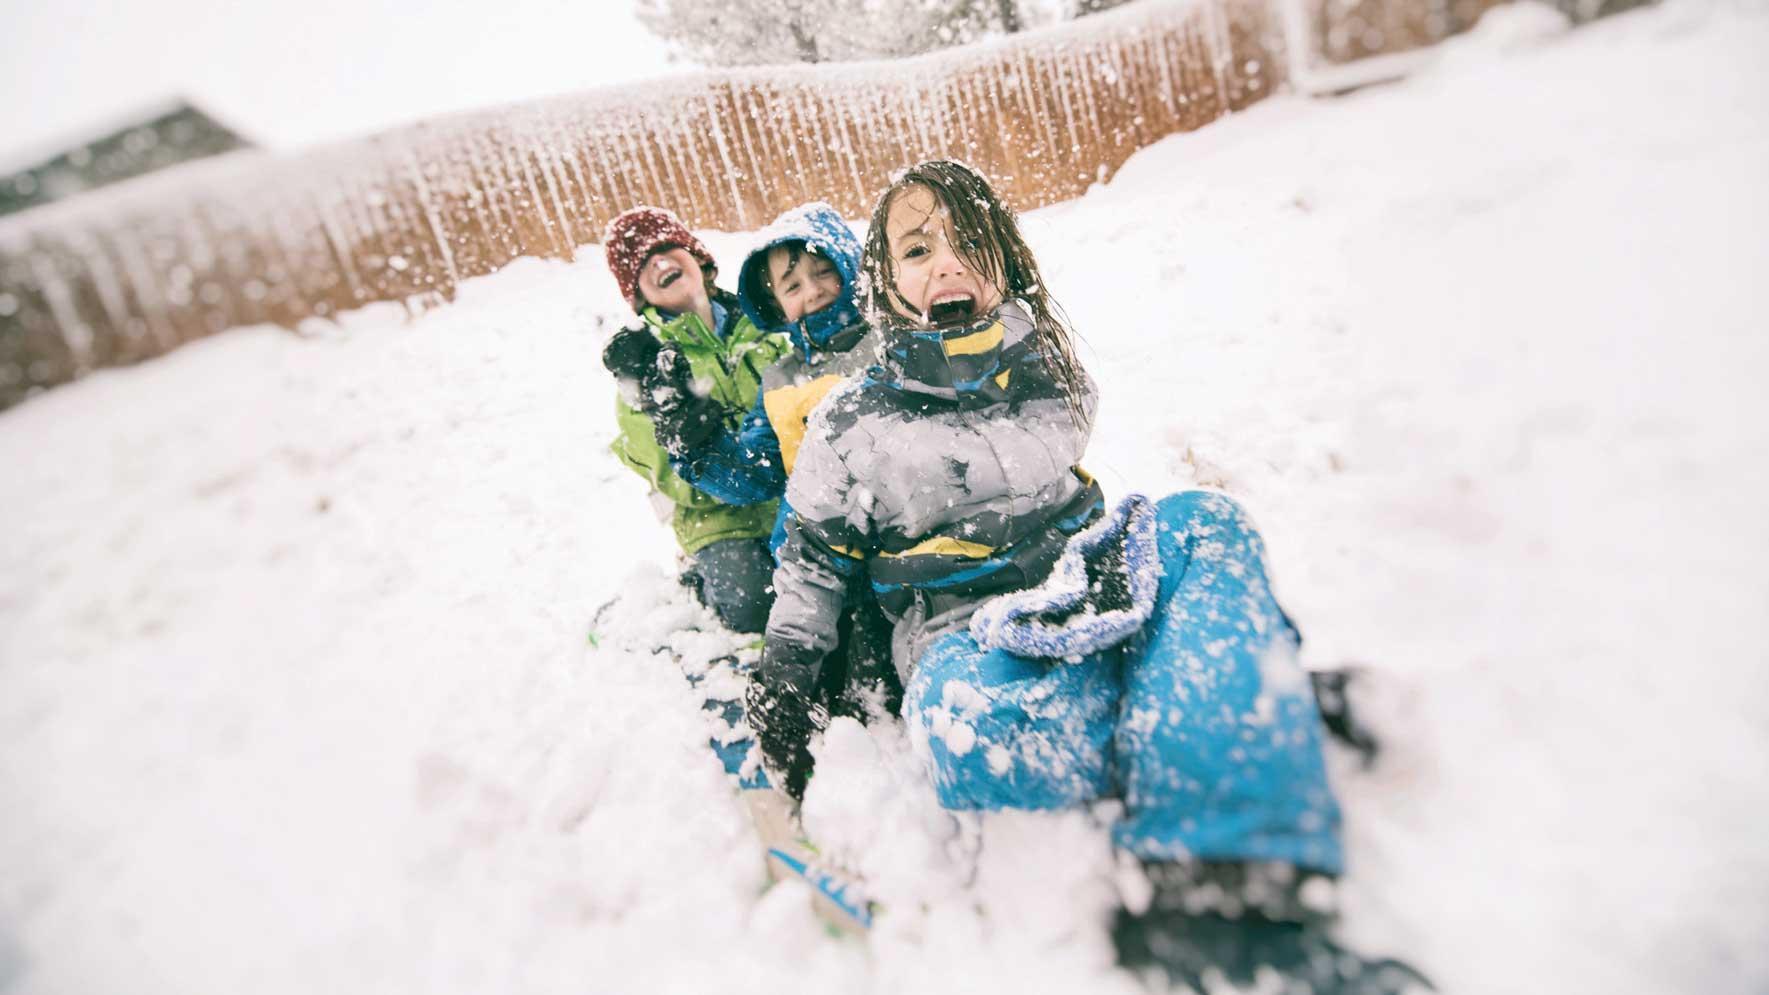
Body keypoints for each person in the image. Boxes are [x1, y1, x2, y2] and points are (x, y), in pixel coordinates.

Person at [747, 161, 1427, 992]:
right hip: (965, 637)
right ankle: (1228, 701)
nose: (947, 264)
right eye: (917, 248)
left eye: (969, 243)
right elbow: (811, 564)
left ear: (1004, 260)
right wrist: (787, 676)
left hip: (1087, 577)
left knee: (1204, 522)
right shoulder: (852, 420)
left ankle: (1214, 886)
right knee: (981, 731)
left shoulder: (1043, 366)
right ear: (885, 283)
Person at [668, 201, 901, 798]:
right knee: (816, 684)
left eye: (821, 270)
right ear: (776, 304)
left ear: (850, 265)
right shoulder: (781, 379)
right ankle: (836, 783)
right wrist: (694, 442)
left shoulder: (895, 340)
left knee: (882, 672)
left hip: (901, 546)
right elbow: (753, 471)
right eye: (791, 285)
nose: (812, 290)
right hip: (818, 560)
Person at [599, 206, 790, 634]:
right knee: (756, 609)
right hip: (717, 522)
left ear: (700, 260)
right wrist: (700, 455)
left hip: (791, 494)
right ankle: (699, 587)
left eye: (667, 249)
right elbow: (662, 471)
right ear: (639, 296)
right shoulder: (648, 369)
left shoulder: (765, 325)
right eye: (644, 265)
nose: (661, 263)